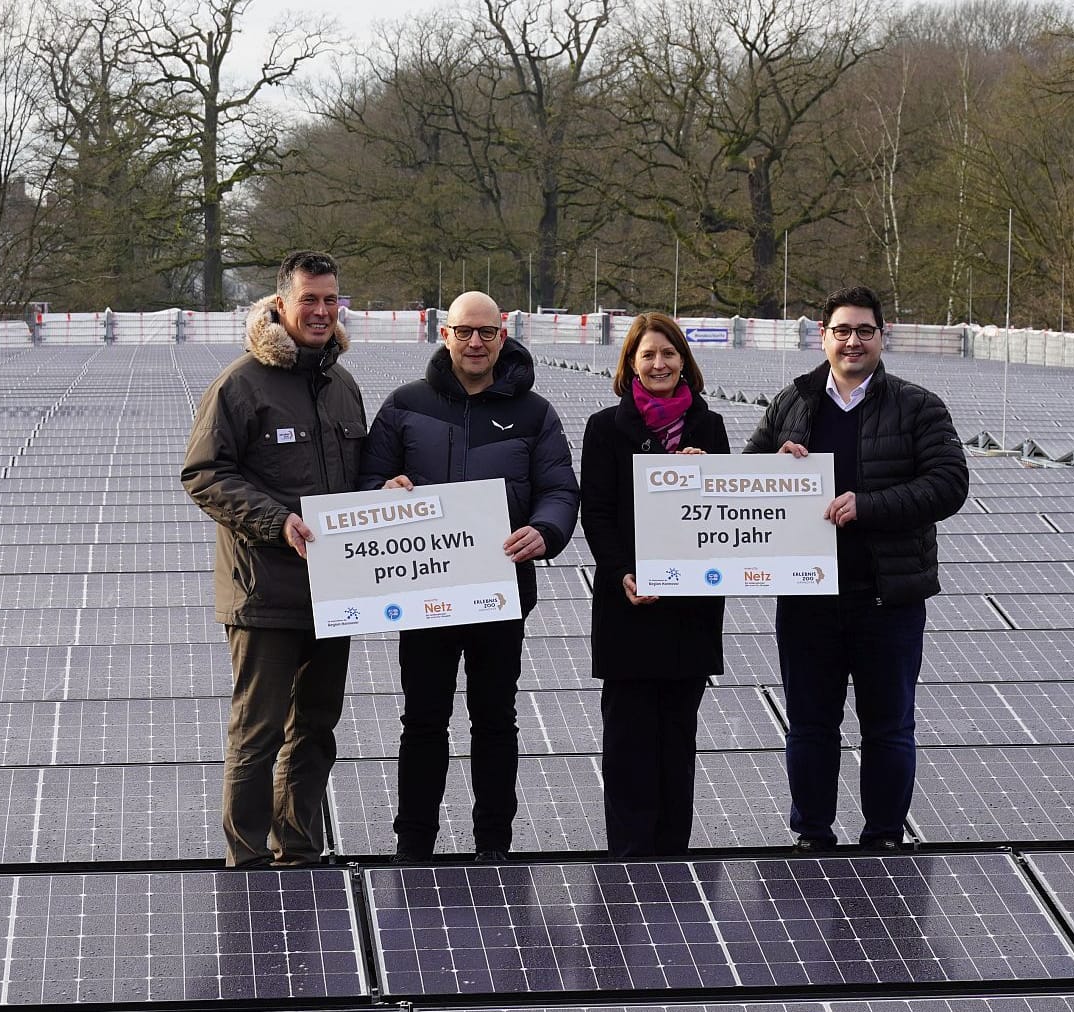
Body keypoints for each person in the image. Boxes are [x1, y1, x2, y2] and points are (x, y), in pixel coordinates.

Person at [744, 285, 968, 851]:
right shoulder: (791, 402)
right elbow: (745, 476)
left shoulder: (919, 407)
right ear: (823, 336)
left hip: (885, 597)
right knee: (811, 728)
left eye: (864, 330)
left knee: (888, 729)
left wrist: (867, 506)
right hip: (806, 599)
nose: (852, 341)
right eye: (841, 330)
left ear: (881, 337)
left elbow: (948, 485)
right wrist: (772, 468)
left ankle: (885, 838)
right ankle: (812, 835)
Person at [360, 290, 579, 862]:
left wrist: (546, 532)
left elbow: (558, 489)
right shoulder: (405, 405)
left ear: (503, 335)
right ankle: (414, 843)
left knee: (495, 719)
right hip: (425, 591)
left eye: (486, 332)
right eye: (465, 332)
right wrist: (384, 491)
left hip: (501, 592)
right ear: (445, 334)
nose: (475, 342)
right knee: (424, 720)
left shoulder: (535, 412)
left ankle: (493, 842)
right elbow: (366, 483)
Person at [181, 250, 365, 867]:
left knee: (314, 730)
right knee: (258, 733)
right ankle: (249, 857)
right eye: (308, 299)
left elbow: (356, 480)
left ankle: (301, 848)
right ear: (280, 303)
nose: (320, 310)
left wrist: (387, 493)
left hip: (334, 591)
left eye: (330, 299)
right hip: (264, 591)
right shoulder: (241, 384)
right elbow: (204, 474)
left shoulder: (341, 386)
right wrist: (273, 520)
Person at [579, 312, 730, 858]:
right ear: (631, 365)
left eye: (669, 354)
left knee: (677, 737)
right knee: (627, 738)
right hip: (628, 604)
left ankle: (672, 850)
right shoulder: (605, 428)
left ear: (684, 362)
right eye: (648, 355)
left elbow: (725, 513)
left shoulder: (708, 429)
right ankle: (629, 852)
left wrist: (705, 471)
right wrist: (623, 572)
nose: (660, 363)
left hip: (689, 608)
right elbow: (595, 512)